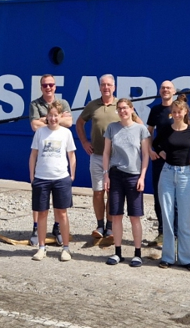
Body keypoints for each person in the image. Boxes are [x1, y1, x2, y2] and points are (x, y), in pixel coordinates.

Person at [102, 97, 150, 267]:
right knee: (116, 215)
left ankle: (137, 253)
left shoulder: (141, 130)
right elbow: (106, 153)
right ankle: (117, 252)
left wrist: (142, 177)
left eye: (125, 108)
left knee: (135, 216)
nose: (122, 111)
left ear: (131, 109)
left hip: (134, 176)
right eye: (120, 108)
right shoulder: (112, 128)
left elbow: (145, 155)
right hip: (115, 175)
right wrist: (106, 174)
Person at [28, 101, 77, 261]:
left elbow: (71, 155)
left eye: (56, 115)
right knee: (42, 213)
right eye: (50, 115)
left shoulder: (66, 133)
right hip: (42, 178)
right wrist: (32, 176)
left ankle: (66, 248)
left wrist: (72, 175)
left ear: (60, 116)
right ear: (46, 116)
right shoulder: (40, 133)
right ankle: (42, 248)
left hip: (61, 178)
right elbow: (33, 155)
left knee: (62, 213)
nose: (53, 118)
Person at [155, 97, 190, 270]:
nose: (176, 114)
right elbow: (155, 143)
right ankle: (167, 257)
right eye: (173, 112)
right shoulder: (166, 129)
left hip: (184, 175)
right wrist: (161, 153)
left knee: (185, 218)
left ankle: (187, 259)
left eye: (179, 112)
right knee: (167, 216)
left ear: (185, 112)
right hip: (167, 173)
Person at [28, 74, 71, 242]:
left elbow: (70, 122)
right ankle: (36, 228)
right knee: (40, 197)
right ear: (41, 87)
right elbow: (34, 126)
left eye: (51, 84)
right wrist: (55, 121)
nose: (48, 87)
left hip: (58, 153)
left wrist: (44, 120)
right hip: (42, 152)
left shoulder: (64, 103)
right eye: (45, 85)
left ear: (55, 86)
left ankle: (57, 227)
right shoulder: (34, 104)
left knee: (58, 200)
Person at [75, 74, 118, 239]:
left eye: (109, 85)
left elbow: (136, 123)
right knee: (98, 192)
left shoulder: (120, 105)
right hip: (97, 156)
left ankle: (110, 226)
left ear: (113, 87)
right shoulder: (92, 105)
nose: (106, 88)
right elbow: (79, 123)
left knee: (113, 193)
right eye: (103, 85)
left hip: (116, 158)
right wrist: (84, 142)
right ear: (100, 87)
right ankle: (100, 226)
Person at [146, 80, 177, 247]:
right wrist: (151, 150)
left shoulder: (179, 109)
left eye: (168, 88)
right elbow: (148, 131)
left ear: (174, 91)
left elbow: (188, 131)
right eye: (163, 88)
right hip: (159, 158)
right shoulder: (155, 110)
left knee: (176, 197)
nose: (165, 90)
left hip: (176, 159)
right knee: (159, 196)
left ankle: (177, 234)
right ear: (160, 91)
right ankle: (162, 233)